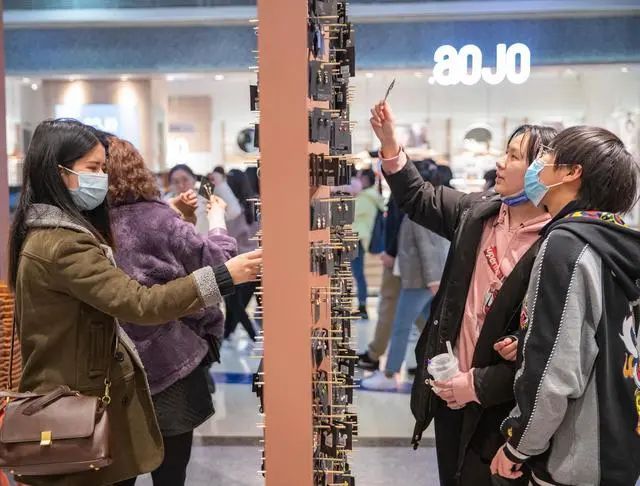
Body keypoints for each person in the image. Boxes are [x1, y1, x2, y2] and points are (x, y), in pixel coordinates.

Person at [7, 119, 262, 486]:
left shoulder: (47, 232)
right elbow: (139, 303)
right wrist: (224, 275)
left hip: (85, 392)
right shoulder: (64, 244)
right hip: (82, 399)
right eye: (93, 168)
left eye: (105, 168)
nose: (101, 178)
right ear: (59, 172)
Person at [370, 100, 556, 485]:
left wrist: (501, 361)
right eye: (505, 152)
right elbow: (418, 197)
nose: (500, 162)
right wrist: (389, 143)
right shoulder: (478, 212)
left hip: (504, 406)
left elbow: (555, 342)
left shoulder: (556, 243)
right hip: (449, 391)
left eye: (514, 156)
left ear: (543, 171)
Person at [491, 127, 640, 486]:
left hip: (575, 455)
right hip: (618, 442)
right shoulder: (614, 241)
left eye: (548, 156)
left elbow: (554, 370)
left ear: (572, 172)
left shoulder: (565, 246)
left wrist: (518, 445)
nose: (539, 165)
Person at [105, 137, 239, 486]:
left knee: (118, 471)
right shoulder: (158, 218)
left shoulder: (89, 226)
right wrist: (217, 220)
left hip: (112, 365)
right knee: (171, 473)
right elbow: (221, 265)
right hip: (171, 360)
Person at [361, 161, 450, 390]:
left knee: (402, 326)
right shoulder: (423, 205)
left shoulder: (421, 207)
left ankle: (390, 375)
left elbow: (428, 247)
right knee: (431, 328)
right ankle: (441, 372)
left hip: (419, 280)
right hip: (421, 279)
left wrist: (433, 279)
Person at [223, 169, 260, 342]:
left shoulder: (233, 210)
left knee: (234, 304)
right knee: (236, 304)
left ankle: (252, 336)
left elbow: (230, 236)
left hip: (236, 262)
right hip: (255, 260)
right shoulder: (255, 204)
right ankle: (227, 334)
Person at [352, 168, 385, 319]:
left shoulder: (366, 197)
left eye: (359, 178)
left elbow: (352, 214)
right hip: (362, 237)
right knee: (358, 273)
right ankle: (362, 304)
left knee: (358, 273)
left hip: (357, 238)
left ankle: (362, 305)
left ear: (365, 180)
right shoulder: (372, 196)